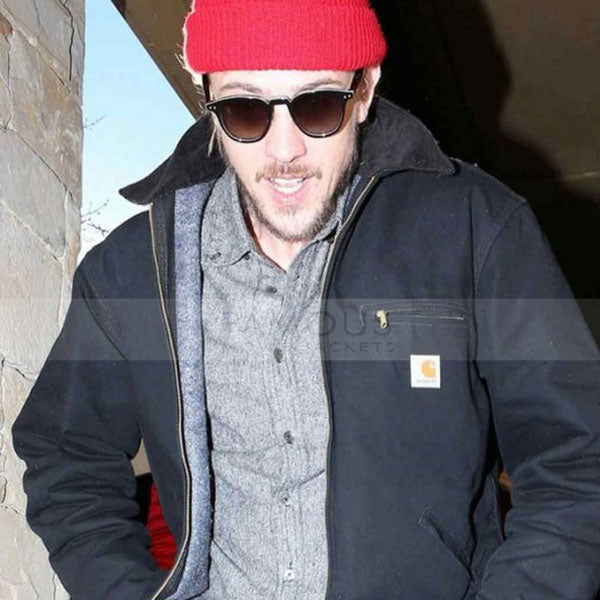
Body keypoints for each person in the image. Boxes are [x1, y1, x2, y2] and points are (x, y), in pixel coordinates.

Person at [12, 0, 600, 599]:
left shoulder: (478, 230)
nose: (284, 150)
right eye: (245, 110)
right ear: (207, 98)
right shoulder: (132, 273)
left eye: (317, 105)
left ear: (364, 91)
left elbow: (579, 460)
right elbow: (64, 452)